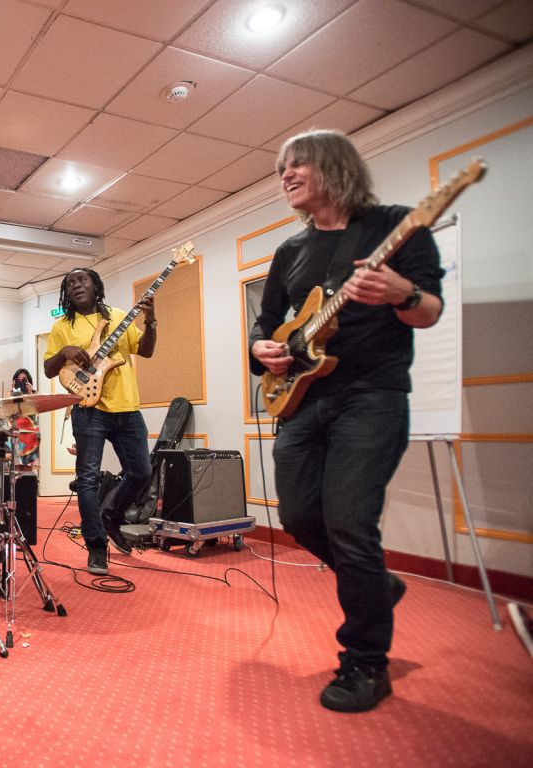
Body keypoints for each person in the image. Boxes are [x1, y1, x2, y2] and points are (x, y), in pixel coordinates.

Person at [249, 129, 444, 713]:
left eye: (297, 165)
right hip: (303, 398)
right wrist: (262, 348)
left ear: (334, 166)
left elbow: (429, 311)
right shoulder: (291, 251)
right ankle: (377, 588)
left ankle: (365, 661)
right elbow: (266, 322)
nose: (285, 175)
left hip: (370, 397)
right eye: (281, 169)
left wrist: (401, 292)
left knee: (351, 524)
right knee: (298, 515)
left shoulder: (396, 226)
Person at [43, 268, 157, 576]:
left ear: (96, 286)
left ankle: (111, 516)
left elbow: (146, 350)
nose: (76, 285)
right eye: (70, 283)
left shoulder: (119, 316)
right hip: (87, 409)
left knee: (141, 472)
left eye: (82, 280)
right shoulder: (62, 326)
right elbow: (49, 369)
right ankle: (96, 545)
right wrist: (64, 353)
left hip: (127, 407)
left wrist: (151, 320)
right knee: (87, 478)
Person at [9, 368, 40, 468]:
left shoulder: (34, 394)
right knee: (15, 464)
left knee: (29, 468)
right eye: (19, 379)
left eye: (24, 379)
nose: (21, 381)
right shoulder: (10, 395)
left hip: (31, 432)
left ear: (29, 381)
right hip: (15, 431)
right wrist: (13, 393)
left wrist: (30, 394)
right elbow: (8, 412)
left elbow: (37, 410)